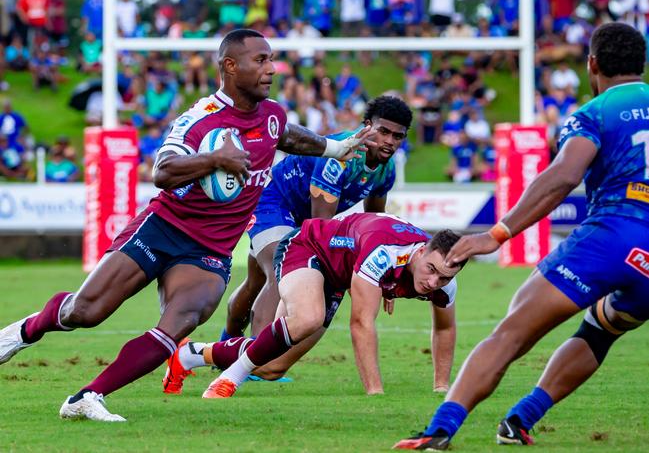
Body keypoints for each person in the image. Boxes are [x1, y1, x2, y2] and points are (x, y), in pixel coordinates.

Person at [0, 29, 373, 422]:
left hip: (210, 251)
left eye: (271, 59)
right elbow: (163, 171)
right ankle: (24, 331)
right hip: (162, 228)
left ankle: (88, 396)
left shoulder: (273, 116)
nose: (272, 68)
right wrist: (216, 160)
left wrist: (335, 147)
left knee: (181, 321)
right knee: (85, 312)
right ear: (230, 66)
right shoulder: (200, 119)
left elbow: (288, 136)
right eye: (260, 60)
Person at [394, 22, 649, 450]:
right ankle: (520, 419)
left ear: (592, 65)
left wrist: (499, 232)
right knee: (602, 330)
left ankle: (440, 428)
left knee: (511, 334)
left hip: (610, 235)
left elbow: (565, 175)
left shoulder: (597, 112)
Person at [164, 213, 466, 398]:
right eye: (431, 269)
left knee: (271, 366)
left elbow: (446, 327)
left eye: (444, 277)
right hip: (308, 248)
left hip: (337, 277)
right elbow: (361, 322)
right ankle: (228, 379)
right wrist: (376, 393)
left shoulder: (442, 281)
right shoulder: (384, 252)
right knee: (308, 317)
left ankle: (191, 355)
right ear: (422, 250)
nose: (433, 282)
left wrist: (441, 387)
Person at [214, 95, 412, 351]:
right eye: (383, 131)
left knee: (255, 283)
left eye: (397, 136)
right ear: (366, 126)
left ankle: (224, 343)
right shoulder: (343, 155)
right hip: (272, 201)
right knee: (281, 270)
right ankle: (252, 360)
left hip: (298, 215)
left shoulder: (387, 170)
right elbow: (319, 226)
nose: (389, 142)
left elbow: (374, 222)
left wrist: (381, 274)